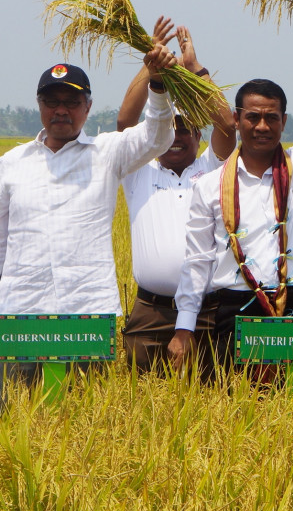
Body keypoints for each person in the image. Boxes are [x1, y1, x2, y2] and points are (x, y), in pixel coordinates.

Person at [169, 15, 293, 381]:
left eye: (271, 117)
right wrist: (184, 327)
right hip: (235, 310)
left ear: (284, 121)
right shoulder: (208, 185)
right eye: (252, 117)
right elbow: (196, 262)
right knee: (240, 418)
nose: (262, 126)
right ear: (236, 120)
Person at [0, 44, 177, 386]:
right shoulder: (10, 165)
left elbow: (157, 137)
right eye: (52, 102)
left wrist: (157, 86)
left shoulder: (108, 152)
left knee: (85, 422)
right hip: (22, 314)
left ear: (88, 107)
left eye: (72, 102)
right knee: (17, 417)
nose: (61, 110)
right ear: (39, 106)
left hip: (87, 313)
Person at [118, 22, 236, 376]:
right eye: (169, 127)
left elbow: (228, 126)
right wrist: (150, 64)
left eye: (184, 128)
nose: (175, 136)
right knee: (138, 408)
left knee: (210, 404)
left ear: (199, 135)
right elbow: (126, 123)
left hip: (206, 311)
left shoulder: (212, 169)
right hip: (150, 312)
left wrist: (195, 70)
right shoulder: (139, 168)